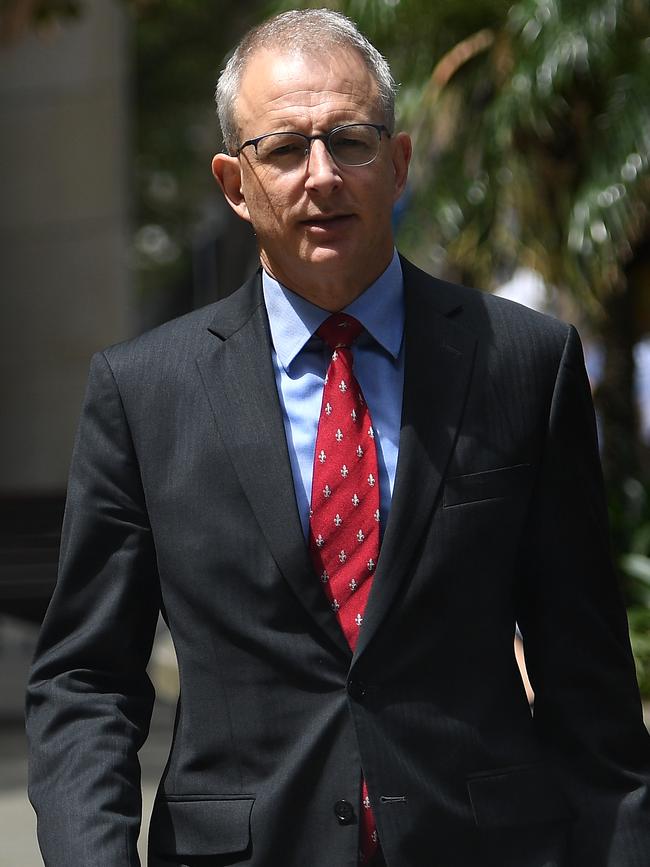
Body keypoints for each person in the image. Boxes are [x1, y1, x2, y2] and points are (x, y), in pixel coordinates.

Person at [26, 8, 650, 867]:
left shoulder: (522, 363)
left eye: (349, 141)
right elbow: (85, 682)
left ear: (396, 163)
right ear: (234, 185)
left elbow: (590, 688)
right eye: (283, 149)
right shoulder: (144, 392)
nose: (321, 175)